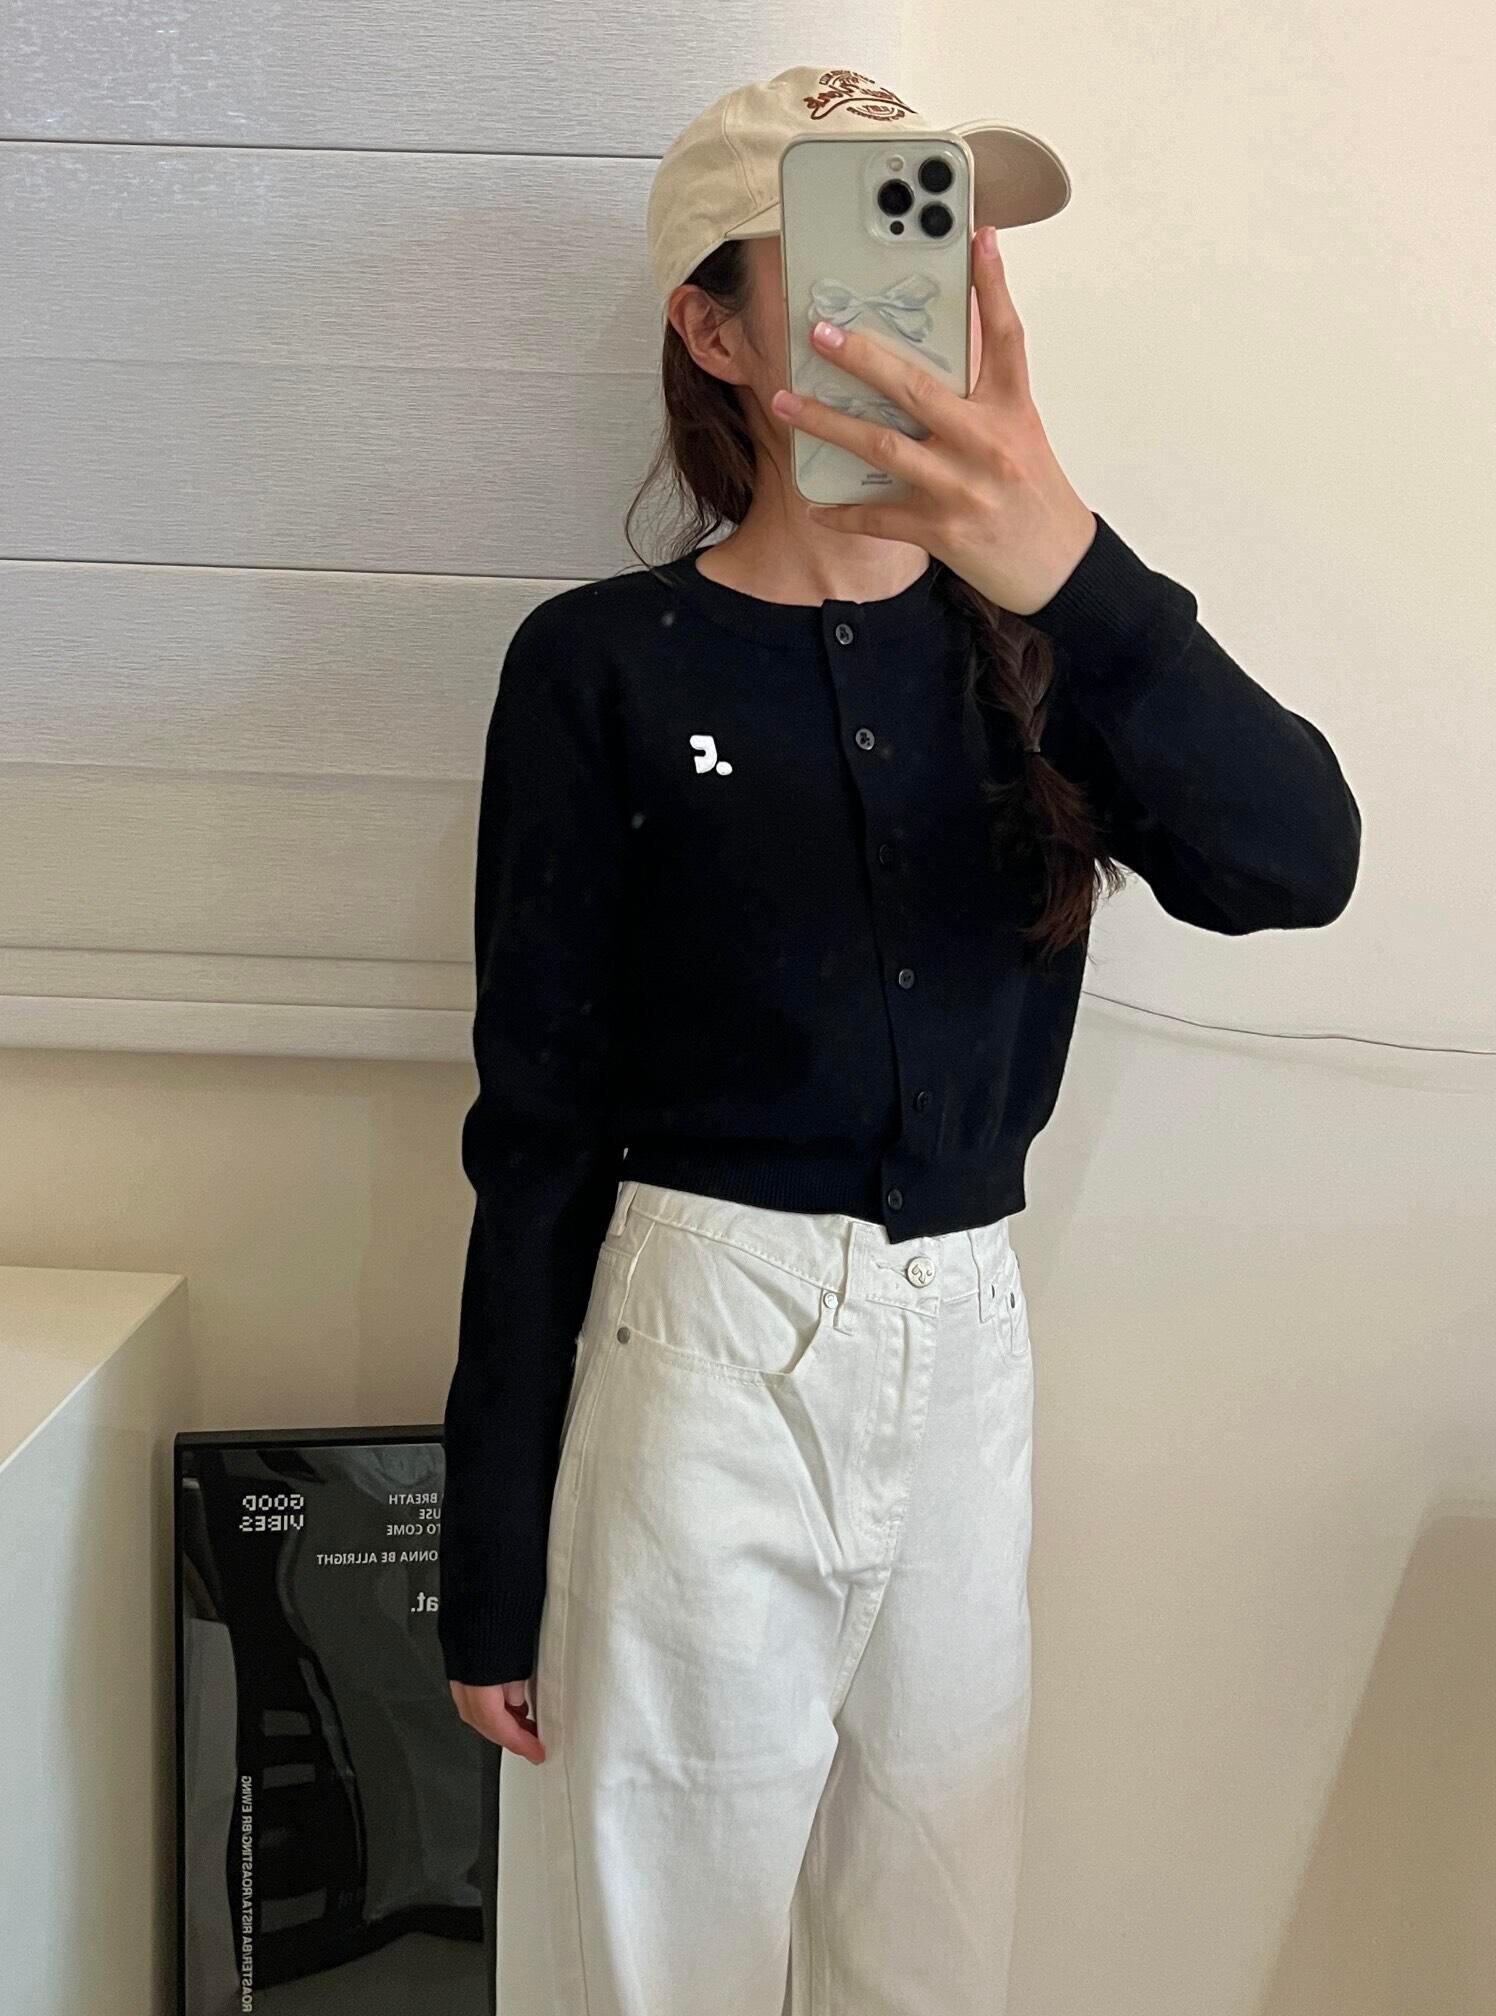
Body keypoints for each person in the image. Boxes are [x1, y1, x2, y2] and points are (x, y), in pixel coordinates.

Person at [438, 62, 1362, 2016]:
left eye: (938, 234)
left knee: (932, 1946)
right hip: (695, 1340)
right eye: (855, 241)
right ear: (714, 326)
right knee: (655, 1956)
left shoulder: (1049, 641)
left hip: (967, 1345)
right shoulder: (601, 666)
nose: (915, 296)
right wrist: (492, 1553)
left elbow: (1299, 865)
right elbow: (536, 1121)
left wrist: (1071, 568)